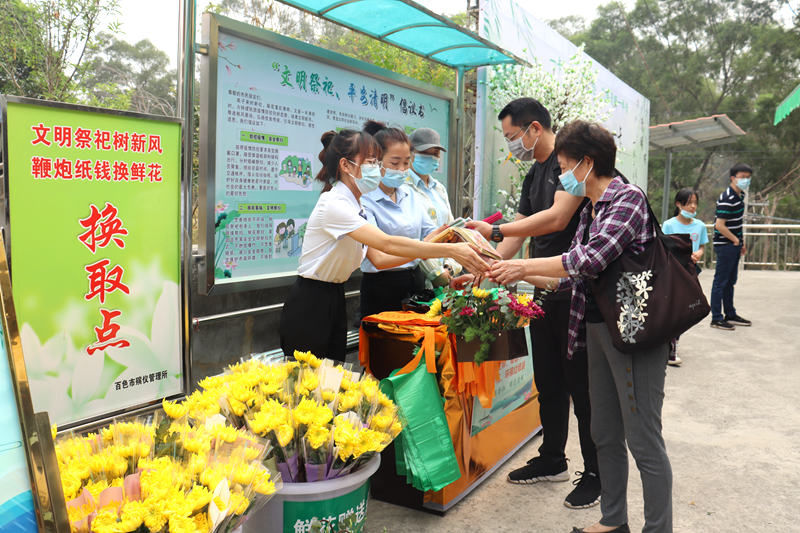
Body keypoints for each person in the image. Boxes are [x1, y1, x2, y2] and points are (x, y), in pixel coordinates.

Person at [490, 120, 672, 533]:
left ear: (586, 163)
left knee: (643, 440)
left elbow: (588, 260)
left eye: (563, 167)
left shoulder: (627, 200)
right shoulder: (590, 210)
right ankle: (613, 521)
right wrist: (498, 270)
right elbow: (567, 278)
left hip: (633, 334)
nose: (561, 177)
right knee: (604, 432)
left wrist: (520, 265)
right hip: (595, 330)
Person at [467, 98, 599, 509]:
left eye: (512, 136)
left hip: (574, 291)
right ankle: (552, 458)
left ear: (534, 129)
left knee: (582, 388)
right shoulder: (534, 174)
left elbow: (557, 219)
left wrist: (494, 231)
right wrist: (483, 266)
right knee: (548, 381)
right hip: (542, 291)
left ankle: (596, 473)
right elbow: (519, 235)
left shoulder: (570, 169)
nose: (512, 145)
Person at [279, 129, 488, 362]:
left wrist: (443, 240)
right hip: (311, 301)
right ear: (346, 165)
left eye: (377, 162)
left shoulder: (357, 204)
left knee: (332, 374)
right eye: (370, 162)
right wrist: (450, 250)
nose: (376, 169)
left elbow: (388, 250)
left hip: (335, 295)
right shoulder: (334, 203)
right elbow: (386, 244)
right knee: (306, 377)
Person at [358, 121, 438, 319]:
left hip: (415, 282)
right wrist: (423, 248)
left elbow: (430, 232)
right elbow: (378, 259)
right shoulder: (364, 200)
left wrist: (451, 232)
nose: (402, 169)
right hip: (381, 288)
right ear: (376, 161)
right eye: (395, 163)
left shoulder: (410, 195)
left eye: (406, 162)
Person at [661, 188, 708, 366]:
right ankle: (671, 345)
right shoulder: (669, 225)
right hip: (673, 272)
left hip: (691, 271)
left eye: (695, 203)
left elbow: (702, 246)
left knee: (687, 309)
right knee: (674, 307)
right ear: (678, 204)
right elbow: (662, 248)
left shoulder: (700, 226)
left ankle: (673, 342)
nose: (693, 206)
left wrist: (699, 253)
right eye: (689, 203)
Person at [710, 163, 752, 331]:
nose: (746, 180)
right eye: (742, 177)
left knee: (730, 282)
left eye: (748, 177)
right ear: (733, 178)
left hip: (734, 244)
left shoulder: (739, 196)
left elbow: (737, 223)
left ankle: (730, 314)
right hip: (725, 245)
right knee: (720, 282)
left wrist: (741, 242)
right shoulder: (727, 197)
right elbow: (719, 225)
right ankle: (716, 318)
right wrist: (735, 240)